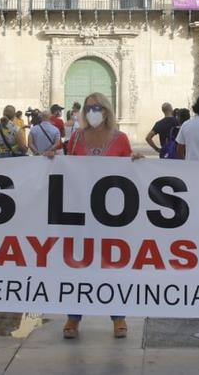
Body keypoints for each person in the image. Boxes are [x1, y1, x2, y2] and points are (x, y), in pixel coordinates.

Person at [48, 92, 142, 340]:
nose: (93, 111)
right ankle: (73, 317)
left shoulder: (121, 139)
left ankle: (118, 317)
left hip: (112, 214)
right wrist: (51, 160)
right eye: (88, 107)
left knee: (112, 264)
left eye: (98, 107)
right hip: (80, 212)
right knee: (78, 265)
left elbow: (129, 172)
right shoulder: (77, 137)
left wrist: (137, 162)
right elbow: (68, 168)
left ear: (107, 110)